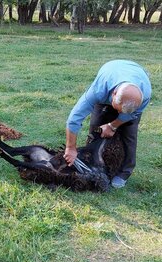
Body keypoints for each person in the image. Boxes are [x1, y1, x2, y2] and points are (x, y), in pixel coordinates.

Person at [64, 60, 152, 188]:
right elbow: (74, 119)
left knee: (129, 134)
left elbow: (131, 114)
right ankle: (91, 160)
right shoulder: (98, 90)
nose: (117, 112)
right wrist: (70, 148)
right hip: (111, 75)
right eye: (117, 108)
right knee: (96, 128)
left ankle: (124, 172)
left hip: (134, 78)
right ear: (114, 94)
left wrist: (113, 125)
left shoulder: (144, 95)